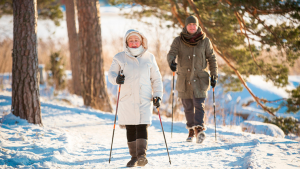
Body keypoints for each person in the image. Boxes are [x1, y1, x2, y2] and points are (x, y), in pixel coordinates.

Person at [108, 29, 163, 167]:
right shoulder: (119, 57)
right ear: (126, 42)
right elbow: (111, 75)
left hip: (144, 98)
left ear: (141, 41)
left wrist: (157, 95)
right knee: (131, 127)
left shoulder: (149, 57)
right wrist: (117, 79)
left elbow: (156, 79)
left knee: (142, 125)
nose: (133, 43)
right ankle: (134, 157)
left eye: (136, 40)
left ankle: (142, 155)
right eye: (131, 40)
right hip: (127, 98)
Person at [167, 15, 218, 143]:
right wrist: (171, 62)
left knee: (199, 104)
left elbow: (212, 58)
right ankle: (191, 129)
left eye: (194, 25)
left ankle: (199, 129)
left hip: (200, 79)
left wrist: (214, 74)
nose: (192, 27)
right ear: (186, 26)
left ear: (197, 26)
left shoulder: (205, 41)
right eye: (189, 25)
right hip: (184, 78)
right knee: (188, 106)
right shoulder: (178, 40)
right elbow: (171, 53)